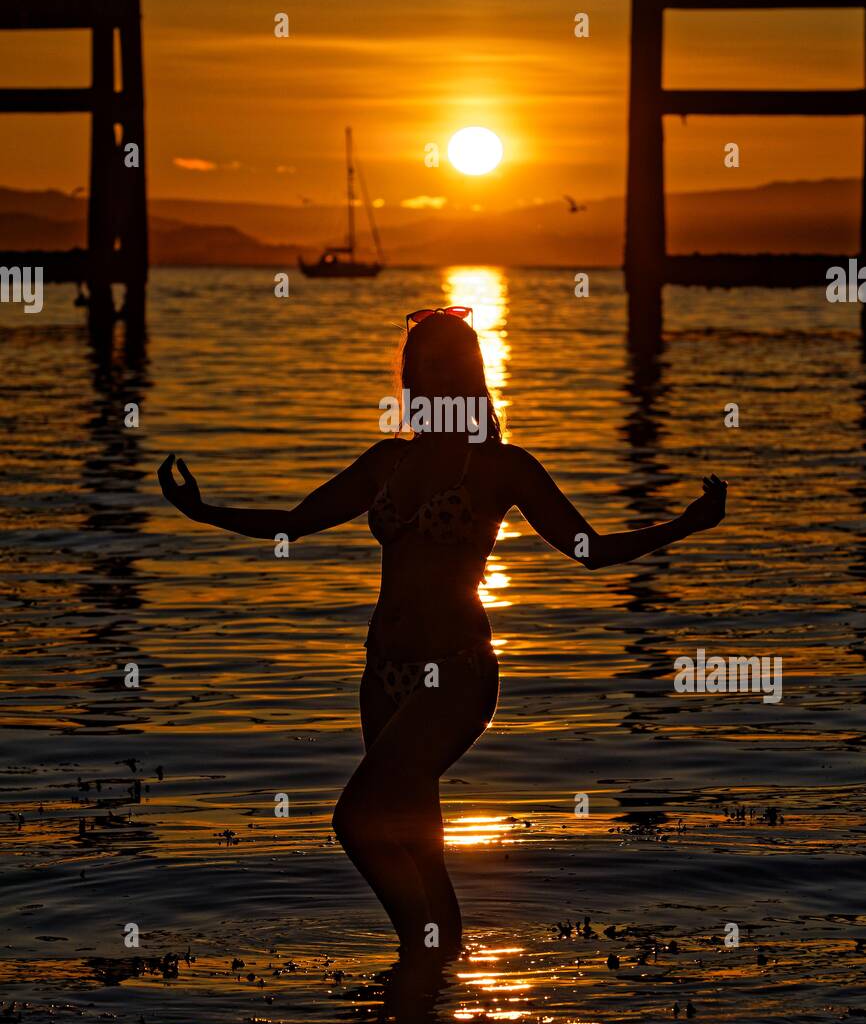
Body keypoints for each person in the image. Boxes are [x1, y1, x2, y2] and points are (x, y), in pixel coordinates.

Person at [158, 304, 727, 964]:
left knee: (357, 821)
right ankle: (433, 989)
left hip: (456, 672)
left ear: (474, 373)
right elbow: (293, 523)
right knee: (420, 849)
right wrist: (202, 511)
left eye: (456, 360)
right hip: (384, 676)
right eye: (429, 363)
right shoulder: (385, 463)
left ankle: (417, 963)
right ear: (415, 378)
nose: (443, 373)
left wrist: (686, 525)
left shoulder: (504, 467)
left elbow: (589, 550)